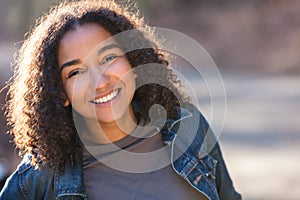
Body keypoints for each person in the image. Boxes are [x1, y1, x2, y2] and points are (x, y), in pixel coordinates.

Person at [0, 0, 241, 199]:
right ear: (60, 93)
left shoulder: (188, 128)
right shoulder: (38, 178)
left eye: (108, 58)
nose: (100, 81)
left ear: (133, 62)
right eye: (75, 72)